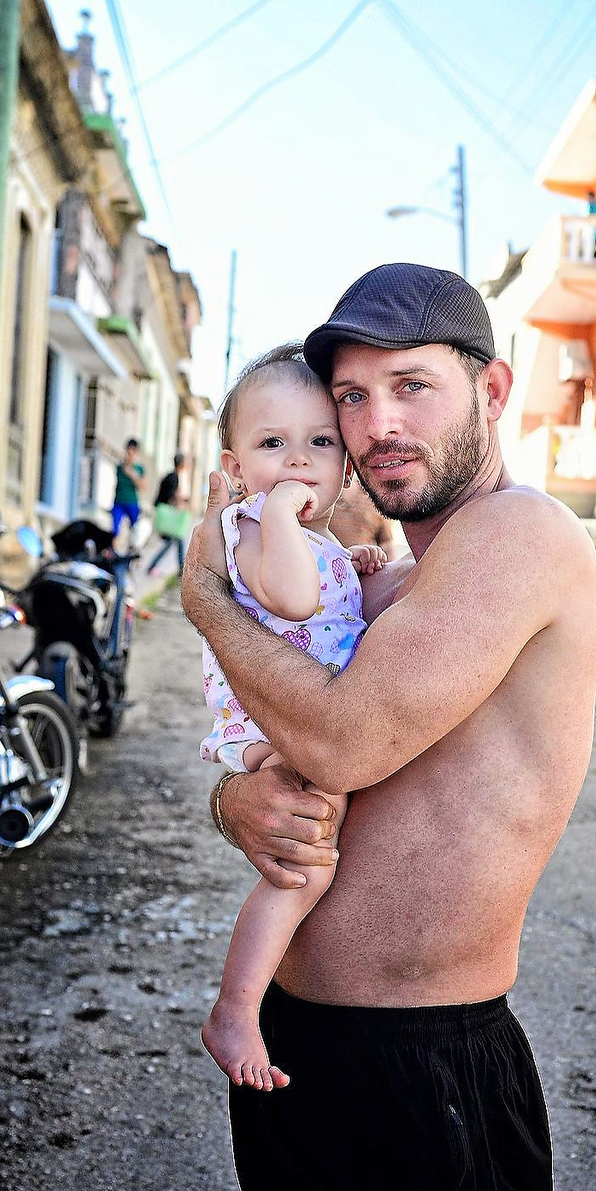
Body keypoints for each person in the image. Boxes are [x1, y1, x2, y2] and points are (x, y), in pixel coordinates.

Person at [182, 263, 596, 1191]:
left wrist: (207, 600)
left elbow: (346, 738)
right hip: (300, 1040)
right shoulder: (398, 574)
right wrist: (232, 803)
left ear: (492, 391)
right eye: (352, 399)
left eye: (410, 386)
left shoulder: (519, 535)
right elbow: (287, 744)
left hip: (415, 1058)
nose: (377, 425)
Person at [197, 345, 386, 1089]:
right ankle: (236, 1008)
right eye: (273, 443)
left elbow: (320, 586)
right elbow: (296, 598)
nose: (299, 462)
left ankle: (249, 1002)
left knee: (314, 856)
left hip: (292, 713)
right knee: (305, 869)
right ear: (236, 467)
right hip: (268, 721)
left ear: (346, 466)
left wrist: (350, 562)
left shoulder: (310, 538)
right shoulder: (249, 524)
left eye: (320, 443)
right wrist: (279, 512)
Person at [146, 451, 190, 577]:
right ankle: (153, 566)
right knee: (172, 541)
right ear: (181, 464)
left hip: (164, 512)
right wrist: (181, 503)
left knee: (177, 540)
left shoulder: (170, 476)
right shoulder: (173, 478)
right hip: (167, 515)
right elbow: (171, 496)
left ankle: (181, 569)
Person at [111, 437, 144, 539]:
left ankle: (132, 545)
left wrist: (132, 474)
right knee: (115, 529)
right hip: (119, 501)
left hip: (132, 502)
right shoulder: (120, 467)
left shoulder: (139, 469)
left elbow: (142, 486)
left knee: (135, 528)